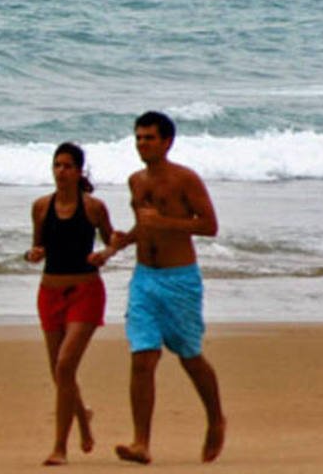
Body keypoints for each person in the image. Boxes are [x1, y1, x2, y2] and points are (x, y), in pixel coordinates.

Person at [110, 111, 226, 464]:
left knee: (189, 356)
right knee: (143, 357)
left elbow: (209, 225)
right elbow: (144, 227)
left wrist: (166, 222)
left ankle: (216, 419)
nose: (142, 144)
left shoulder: (184, 179)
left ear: (167, 141)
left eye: (149, 138)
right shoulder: (135, 181)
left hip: (180, 280)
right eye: (138, 138)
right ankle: (141, 442)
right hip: (144, 279)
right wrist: (122, 241)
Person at [26, 142, 116, 466]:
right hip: (49, 293)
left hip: (86, 292)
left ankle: (59, 448)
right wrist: (33, 254)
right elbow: (37, 247)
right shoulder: (40, 206)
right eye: (57, 165)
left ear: (79, 172)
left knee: (65, 366)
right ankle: (83, 416)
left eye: (67, 166)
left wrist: (104, 254)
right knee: (59, 372)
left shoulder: (93, 207)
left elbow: (112, 239)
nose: (61, 172)